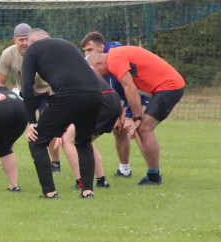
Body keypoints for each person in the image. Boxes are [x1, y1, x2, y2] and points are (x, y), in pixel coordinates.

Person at [86, 45, 185, 186]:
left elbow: (130, 88)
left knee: (144, 128)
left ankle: (153, 177)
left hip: (169, 86)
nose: (99, 77)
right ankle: (153, 176)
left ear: (99, 64)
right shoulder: (116, 55)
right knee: (143, 129)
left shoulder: (114, 59)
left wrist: (137, 118)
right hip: (164, 87)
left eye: (96, 73)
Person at [20, 29, 102, 199]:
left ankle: (50, 193)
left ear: (32, 40)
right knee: (84, 142)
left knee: (36, 141)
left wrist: (31, 121)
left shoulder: (33, 49)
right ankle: (88, 191)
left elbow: (27, 86)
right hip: (95, 94)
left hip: (68, 96)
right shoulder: (67, 44)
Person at [80, 32, 149, 179]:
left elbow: (133, 87)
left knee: (137, 129)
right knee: (118, 130)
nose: (86, 54)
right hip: (121, 98)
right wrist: (115, 115)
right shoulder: (96, 63)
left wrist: (130, 115)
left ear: (102, 47)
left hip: (140, 92)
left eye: (90, 50)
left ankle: (153, 173)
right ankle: (124, 171)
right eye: (85, 51)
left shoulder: (116, 55)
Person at [0, 23, 64, 173]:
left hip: (46, 94)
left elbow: (57, 76)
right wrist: (4, 102)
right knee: (10, 125)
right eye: (21, 40)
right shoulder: (8, 54)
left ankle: (55, 163)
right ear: (14, 40)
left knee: (49, 127)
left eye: (27, 39)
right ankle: (7, 159)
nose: (25, 43)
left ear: (32, 39)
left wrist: (55, 96)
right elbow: (0, 83)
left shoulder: (44, 53)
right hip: (24, 95)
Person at [54, 73, 123, 190]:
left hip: (100, 101)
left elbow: (71, 99)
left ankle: (81, 181)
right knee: (85, 141)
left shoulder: (64, 69)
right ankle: (101, 181)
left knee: (68, 140)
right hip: (112, 100)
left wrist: (62, 127)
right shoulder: (82, 64)